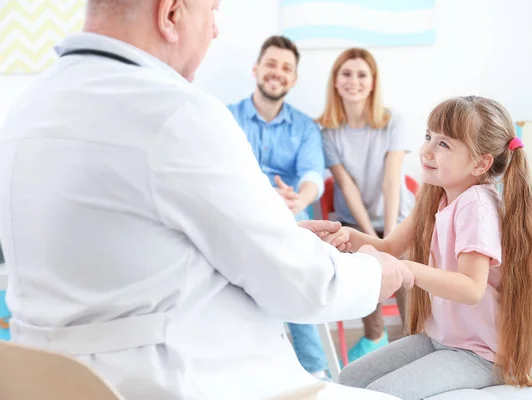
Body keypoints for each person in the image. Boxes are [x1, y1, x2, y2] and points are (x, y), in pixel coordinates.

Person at [0, 1, 414, 399]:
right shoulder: (177, 112)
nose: (215, 28)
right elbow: (302, 287)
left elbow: (132, 261)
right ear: (171, 12)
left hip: (55, 382)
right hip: (188, 382)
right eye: (212, 10)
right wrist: (376, 273)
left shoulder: (27, 109)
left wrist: (278, 237)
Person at [337, 96, 532, 399]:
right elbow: (389, 246)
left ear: (480, 162)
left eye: (443, 144)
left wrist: (409, 270)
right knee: (350, 377)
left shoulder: (476, 206)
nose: (426, 150)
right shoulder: (435, 195)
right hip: (440, 338)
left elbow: (472, 287)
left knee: (380, 394)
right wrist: (343, 235)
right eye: (428, 137)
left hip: (480, 355)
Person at [227, 36, 329, 379]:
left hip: (288, 215)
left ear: (294, 79)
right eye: (271, 64)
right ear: (257, 68)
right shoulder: (225, 118)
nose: (277, 72)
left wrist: (301, 197)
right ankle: (306, 368)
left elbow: (312, 174)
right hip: (240, 214)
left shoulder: (305, 127)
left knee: (292, 241)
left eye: (286, 68)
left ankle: (314, 371)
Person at [316, 48, 415, 362]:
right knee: (366, 262)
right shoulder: (328, 132)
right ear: (335, 81)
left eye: (362, 74)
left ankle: (415, 339)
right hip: (355, 219)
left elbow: (391, 180)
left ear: (373, 83)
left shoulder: (393, 121)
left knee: (404, 263)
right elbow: (346, 186)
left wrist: (389, 238)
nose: (353, 81)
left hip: (396, 215)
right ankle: (375, 336)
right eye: (346, 73)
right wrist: (373, 239)